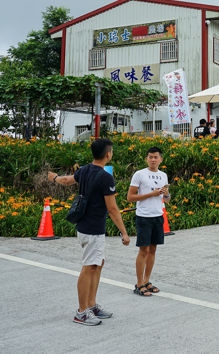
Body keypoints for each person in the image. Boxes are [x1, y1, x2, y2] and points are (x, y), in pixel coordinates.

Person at [48, 138, 130, 326]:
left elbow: (66, 180)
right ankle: (81, 312)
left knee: (97, 264)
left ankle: (91, 305)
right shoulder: (106, 177)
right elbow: (112, 209)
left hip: (86, 227)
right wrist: (124, 233)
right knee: (89, 266)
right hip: (93, 229)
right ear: (108, 154)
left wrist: (53, 177)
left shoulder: (84, 169)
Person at [127, 147, 170, 297]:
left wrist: (166, 194)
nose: (153, 159)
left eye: (156, 157)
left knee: (153, 250)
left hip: (158, 216)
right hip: (144, 216)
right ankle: (139, 284)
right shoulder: (139, 174)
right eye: (150, 157)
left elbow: (167, 200)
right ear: (146, 159)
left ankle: (147, 281)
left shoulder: (163, 175)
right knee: (143, 250)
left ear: (161, 159)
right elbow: (130, 197)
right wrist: (151, 194)